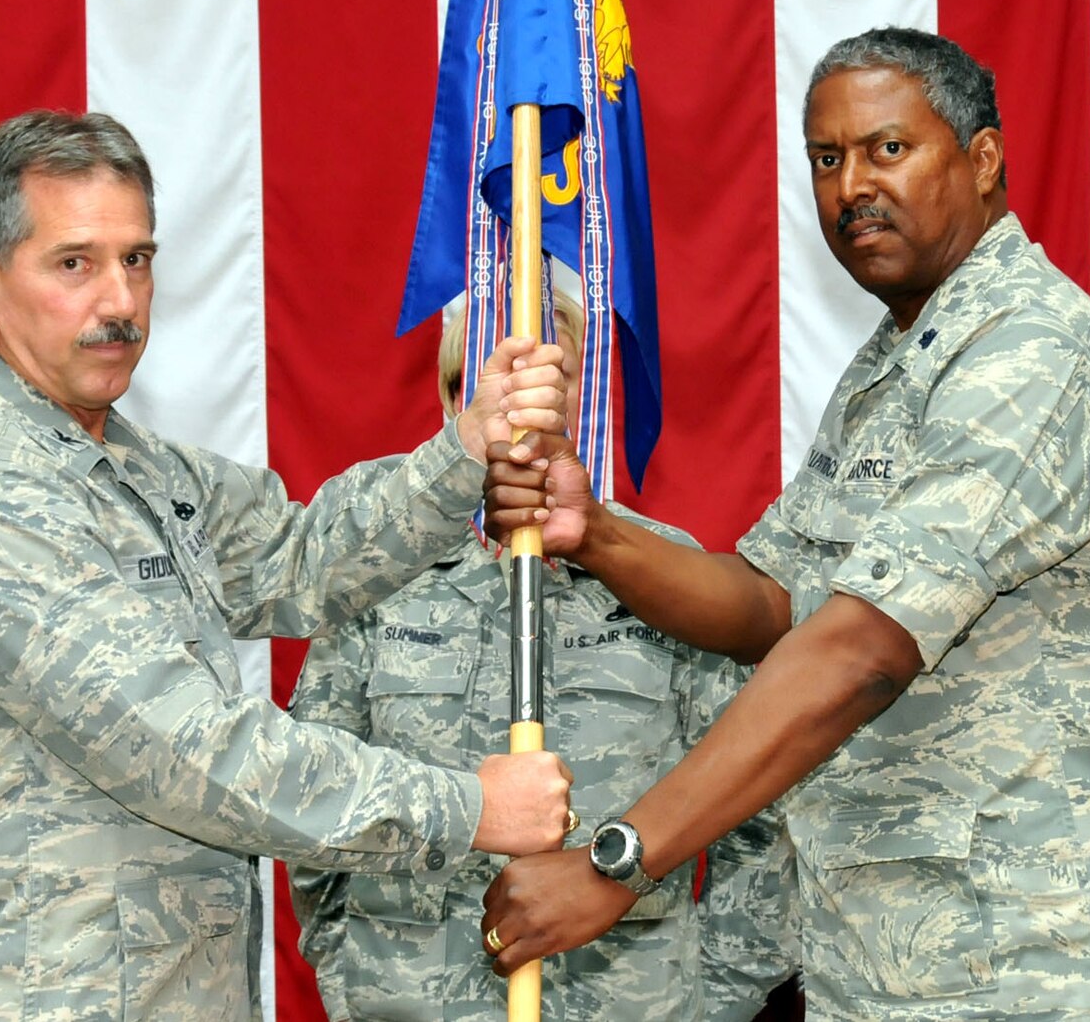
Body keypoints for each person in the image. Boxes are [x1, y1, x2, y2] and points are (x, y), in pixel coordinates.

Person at [480, 28, 1090, 1022]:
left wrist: (620, 861)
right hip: (891, 961)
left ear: (982, 160)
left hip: (1042, 957)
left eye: (886, 149)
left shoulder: (1033, 350)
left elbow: (863, 648)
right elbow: (772, 600)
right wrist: (594, 532)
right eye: (827, 159)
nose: (852, 185)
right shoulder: (896, 362)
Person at [0, 110, 575, 1021]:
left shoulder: (139, 467)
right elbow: (192, 751)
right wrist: (465, 809)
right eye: (74, 263)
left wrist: (465, 447)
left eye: (137, 259)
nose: (119, 300)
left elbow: (299, 559)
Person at [287, 295, 795, 1022]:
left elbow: (757, 799)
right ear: (451, 403)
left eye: (545, 385)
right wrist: (351, 978)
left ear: (583, 399)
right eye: (487, 386)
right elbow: (314, 788)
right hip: (412, 1001)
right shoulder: (381, 573)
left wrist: (714, 995)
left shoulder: (666, 576)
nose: (518, 412)